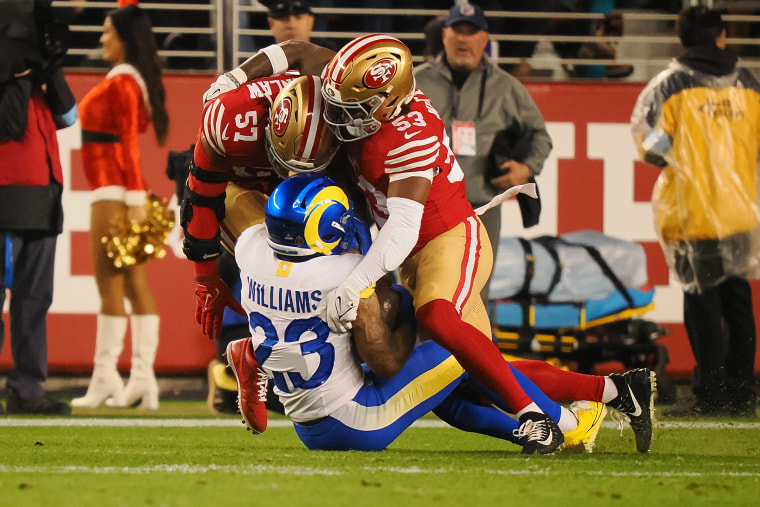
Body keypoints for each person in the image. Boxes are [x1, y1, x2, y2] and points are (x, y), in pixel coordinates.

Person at [209, 35, 656, 453]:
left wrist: (356, 283)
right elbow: (297, 50)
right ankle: (615, 390)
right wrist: (237, 77)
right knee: (463, 375)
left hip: (444, 236)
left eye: (356, 109)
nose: (341, 119)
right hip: (397, 249)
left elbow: (404, 228)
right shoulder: (349, 81)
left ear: (392, 99)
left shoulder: (412, 132)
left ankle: (536, 415)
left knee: (439, 320)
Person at [228, 173, 608, 453]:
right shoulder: (343, 275)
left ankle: (543, 426)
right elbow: (387, 363)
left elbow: (231, 201)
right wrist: (405, 306)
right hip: (359, 420)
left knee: (445, 391)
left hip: (308, 426)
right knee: (467, 349)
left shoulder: (251, 251)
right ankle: (571, 424)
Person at [631, 5, 760, 417]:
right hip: (739, 210)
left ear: (683, 38)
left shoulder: (671, 84)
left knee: (702, 302)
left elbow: (648, 142)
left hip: (693, 210)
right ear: (722, 35)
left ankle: (713, 391)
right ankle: (742, 389)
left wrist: (683, 157)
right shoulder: (748, 83)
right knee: (738, 299)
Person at [414, 2, 553, 303]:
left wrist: (526, 169)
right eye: (458, 31)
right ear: (445, 35)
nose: (464, 39)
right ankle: (421, 352)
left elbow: (541, 136)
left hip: (481, 207)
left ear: (485, 39)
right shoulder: (416, 81)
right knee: (420, 292)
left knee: (474, 296)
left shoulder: (506, 87)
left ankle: (466, 352)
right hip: (425, 205)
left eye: (472, 32)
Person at [72, 3, 170, 410]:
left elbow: (129, 145)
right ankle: (143, 381)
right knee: (131, 285)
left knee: (109, 287)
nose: (101, 38)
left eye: (108, 31)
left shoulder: (123, 84)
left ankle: (106, 376)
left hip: (113, 193)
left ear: (126, 39)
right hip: (118, 191)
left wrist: (132, 201)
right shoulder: (130, 81)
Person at [0, 0, 77, 415]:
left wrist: (49, 73)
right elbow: (9, 125)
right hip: (7, 192)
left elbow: (69, 115)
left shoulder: (38, 78)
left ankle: (27, 389)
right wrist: (14, 77)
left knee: (34, 298)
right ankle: (25, 388)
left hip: (44, 194)